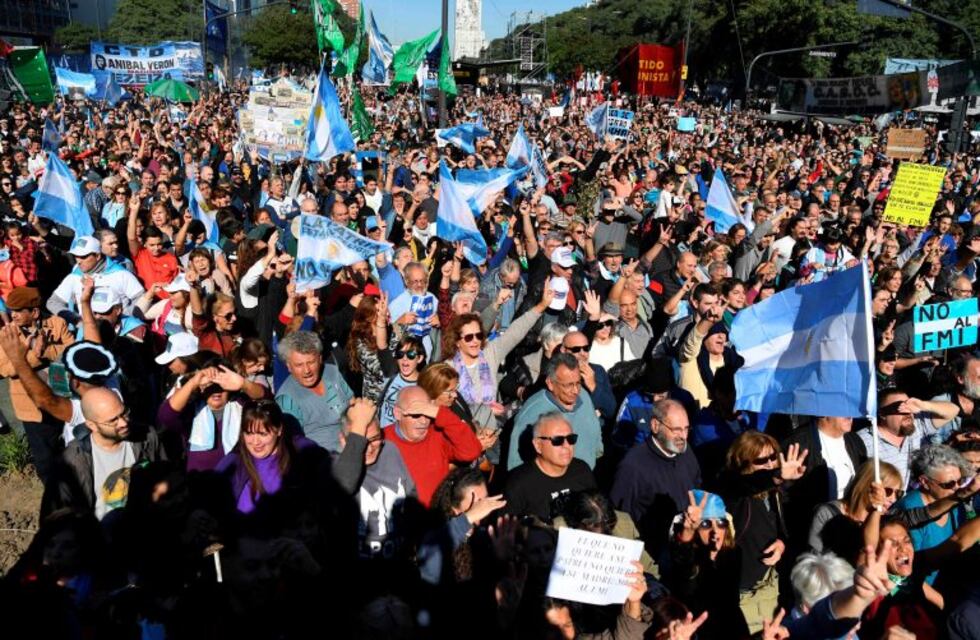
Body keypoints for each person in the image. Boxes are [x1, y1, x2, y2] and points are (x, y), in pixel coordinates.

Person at [41, 388, 166, 519]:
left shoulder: (147, 437)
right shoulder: (72, 461)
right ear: (92, 425)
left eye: (124, 413)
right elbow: (57, 516)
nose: (124, 423)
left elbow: (165, 476)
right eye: (113, 421)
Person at [0, 286, 75, 482]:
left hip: (62, 397)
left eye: (18, 311)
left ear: (34, 312)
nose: (13, 315)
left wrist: (47, 349)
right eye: (11, 311)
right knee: (45, 460)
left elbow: (71, 351)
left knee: (72, 450)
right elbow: (6, 369)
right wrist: (34, 354)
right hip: (32, 406)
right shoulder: (7, 334)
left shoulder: (57, 324)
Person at [610, 399, 701, 560]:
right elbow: (619, 517)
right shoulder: (633, 466)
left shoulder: (687, 453)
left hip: (686, 546)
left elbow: (696, 485)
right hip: (652, 555)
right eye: (676, 430)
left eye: (686, 429)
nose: (683, 436)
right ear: (655, 425)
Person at [332, 398, 417, 560]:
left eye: (374, 439)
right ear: (343, 440)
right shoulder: (332, 465)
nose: (369, 448)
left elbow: (411, 496)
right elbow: (344, 486)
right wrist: (358, 427)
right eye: (360, 441)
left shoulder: (390, 450)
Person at [664, 490, 748, 640]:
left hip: (732, 628)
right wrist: (687, 533)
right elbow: (684, 570)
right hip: (696, 629)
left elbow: (731, 604)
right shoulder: (688, 556)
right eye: (706, 524)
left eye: (721, 523)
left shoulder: (734, 553)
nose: (715, 531)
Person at [382, 385, 482, 507]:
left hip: (436, 519)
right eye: (416, 415)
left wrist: (440, 414)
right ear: (397, 413)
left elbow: (471, 451)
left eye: (428, 415)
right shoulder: (380, 440)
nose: (423, 421)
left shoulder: (437, 435)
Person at [216, 399, 320, 514]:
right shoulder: (232, 464)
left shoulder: (302, 453)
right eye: (249, 433)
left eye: (263, 434)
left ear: (279, 430)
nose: (255, 442)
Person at [506, 353, 602, 470]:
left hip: (585, 479)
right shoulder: (531, 414)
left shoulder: (584, 397)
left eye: (578, 383)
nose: (576, 390)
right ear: (550, 383)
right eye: (568, 385)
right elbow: (516, 467)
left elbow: (596, 440)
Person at [503, 413, 597, 522]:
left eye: (571, 439)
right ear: (538, 445)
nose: (566, 446)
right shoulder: (517, 484)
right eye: (557, 440)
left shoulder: (582, 470)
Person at [859, 388, 959, 486]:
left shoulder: (917, 427)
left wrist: (922, 405)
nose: (908, 412)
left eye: (909, 406)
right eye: (900, 407)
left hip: (902, 498)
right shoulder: (863, 441)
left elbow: (954, 410)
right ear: (883, 414)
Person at [275, 330, 354, 452]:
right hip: (323, 460)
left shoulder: (332, 372)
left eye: (311, 362)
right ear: (289, 366)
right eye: (299, 365)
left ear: (320, 359)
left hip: (352, 444)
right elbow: (293, 443)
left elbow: (352, 404)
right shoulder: (287, 399)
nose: (307, 370)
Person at [377, 335, 425, 428]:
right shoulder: (391, 375)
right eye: (400, 354)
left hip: (404, 439)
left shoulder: (424, 385)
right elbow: (381, 345)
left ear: (419, 358)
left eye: (410, 355)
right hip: (383, 436)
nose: (405, 358)